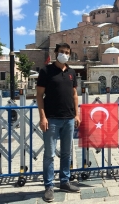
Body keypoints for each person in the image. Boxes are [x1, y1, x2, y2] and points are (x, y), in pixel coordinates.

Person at [37, 43, 81, 202]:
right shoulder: (46, 71)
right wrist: (43, 117)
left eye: (67, 52)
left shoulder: (71, 72)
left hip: (69, 119)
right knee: (49, 154)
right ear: (56, 53)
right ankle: (49, 186)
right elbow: (39, 96)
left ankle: (65, 181)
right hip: (52, 120)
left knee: (66, 153)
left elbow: (75, 94)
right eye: (62, 52)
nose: (64, 54)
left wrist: (77, 115)